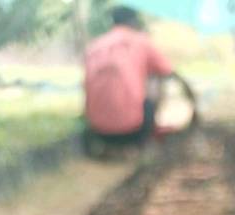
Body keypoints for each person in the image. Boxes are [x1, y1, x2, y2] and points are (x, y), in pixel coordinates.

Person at [83, 5, 197, 150]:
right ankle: (145, 141)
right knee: (155, 79)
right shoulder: (140, 41)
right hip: (132, 132)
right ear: (133, 21)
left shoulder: (94, 46)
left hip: (98, 130)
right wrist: (193, 102)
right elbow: (171, 74)